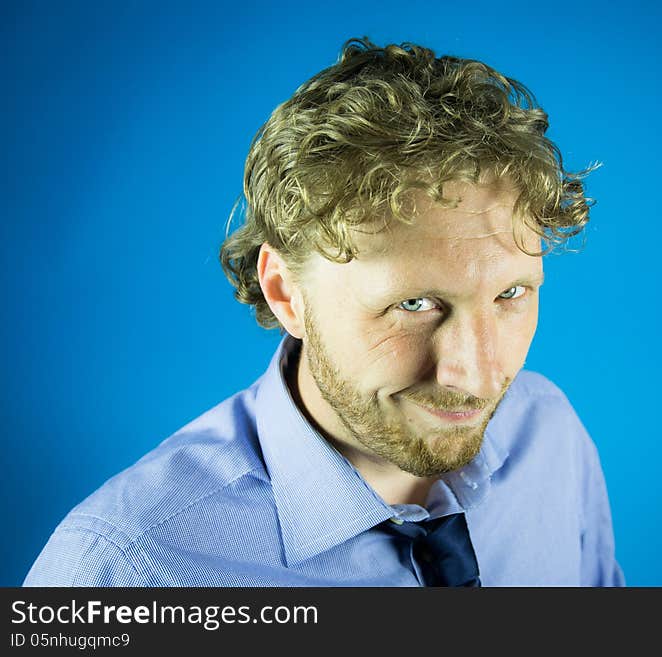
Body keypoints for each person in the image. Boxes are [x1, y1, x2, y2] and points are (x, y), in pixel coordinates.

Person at [24, 37, 624, 587]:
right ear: (286, 293)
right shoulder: (121, 568)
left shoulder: (548, 433)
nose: (475, 374)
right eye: (412, 304)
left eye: (510, 296)